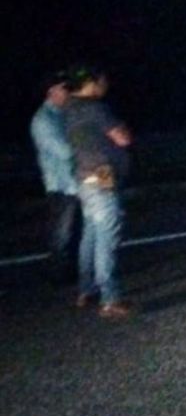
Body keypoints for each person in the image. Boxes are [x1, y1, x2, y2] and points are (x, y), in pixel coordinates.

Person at [64, 67, 132, 319]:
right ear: (93, 82)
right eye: (103, 80)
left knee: (90, 235)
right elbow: (122, 138)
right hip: (102, 176)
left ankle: (86, 289)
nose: (106, 86)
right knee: (107, 237)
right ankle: (110, 298)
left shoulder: (70, 109)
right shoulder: (95, 108)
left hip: (84, 177)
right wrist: (122, 129)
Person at [30, 71, 79, 284]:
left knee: (72, 230)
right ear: (51, 92)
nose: (67, 92)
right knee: (62, 233)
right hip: (60, 185)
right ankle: (58, 275)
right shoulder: (43, 120)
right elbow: (65, 152)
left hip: (71, 183)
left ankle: (71, 272)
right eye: (63, 88)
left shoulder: (61, 114)